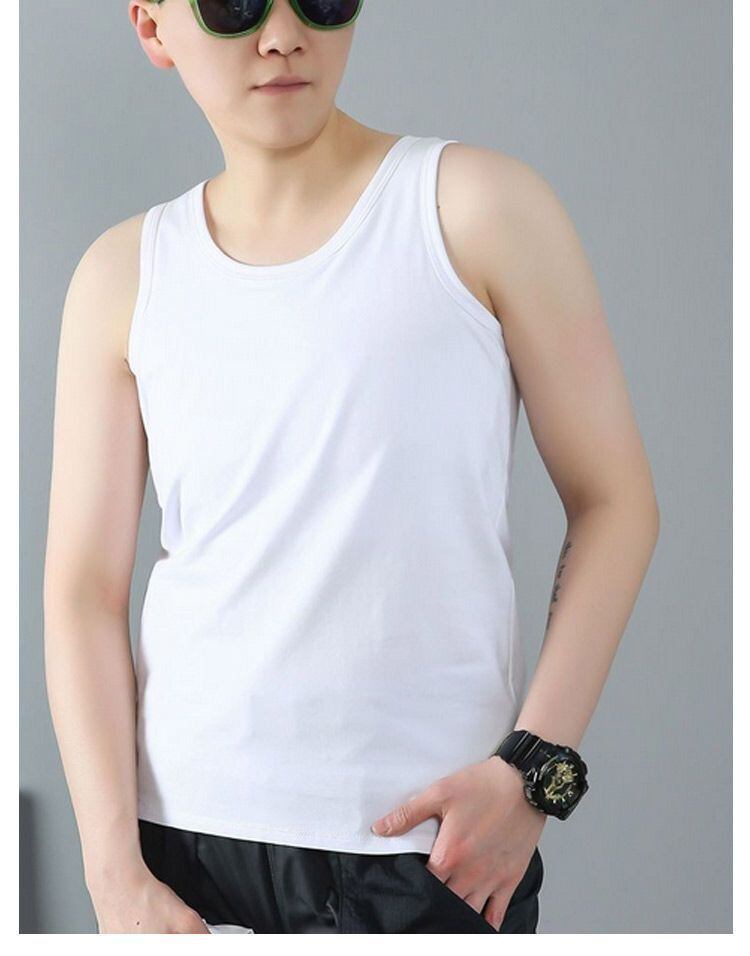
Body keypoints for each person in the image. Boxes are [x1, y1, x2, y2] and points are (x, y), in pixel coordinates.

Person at [42, 0, 660, 935]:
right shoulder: (123, 275)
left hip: (434, 848)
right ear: (154, 27)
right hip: (179, 850)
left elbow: (616, 502)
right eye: (233, 5)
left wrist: (535, 775)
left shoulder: (475, 208)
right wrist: (111, 872)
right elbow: (84, 590)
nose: (284, 33)